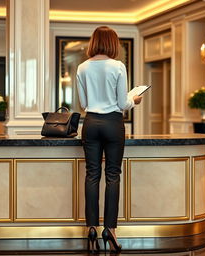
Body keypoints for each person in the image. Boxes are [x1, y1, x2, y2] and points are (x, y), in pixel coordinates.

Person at [76, 26, 142, 254]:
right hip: (113, 124)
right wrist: (134, 99)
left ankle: (91, 228)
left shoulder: (82, 67)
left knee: (92, 174)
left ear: (94, 42)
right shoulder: (118, 66)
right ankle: (110, 230)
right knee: (113, 175)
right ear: (113, 43)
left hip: (91, 123)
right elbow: (123, 104)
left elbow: (83, 104)